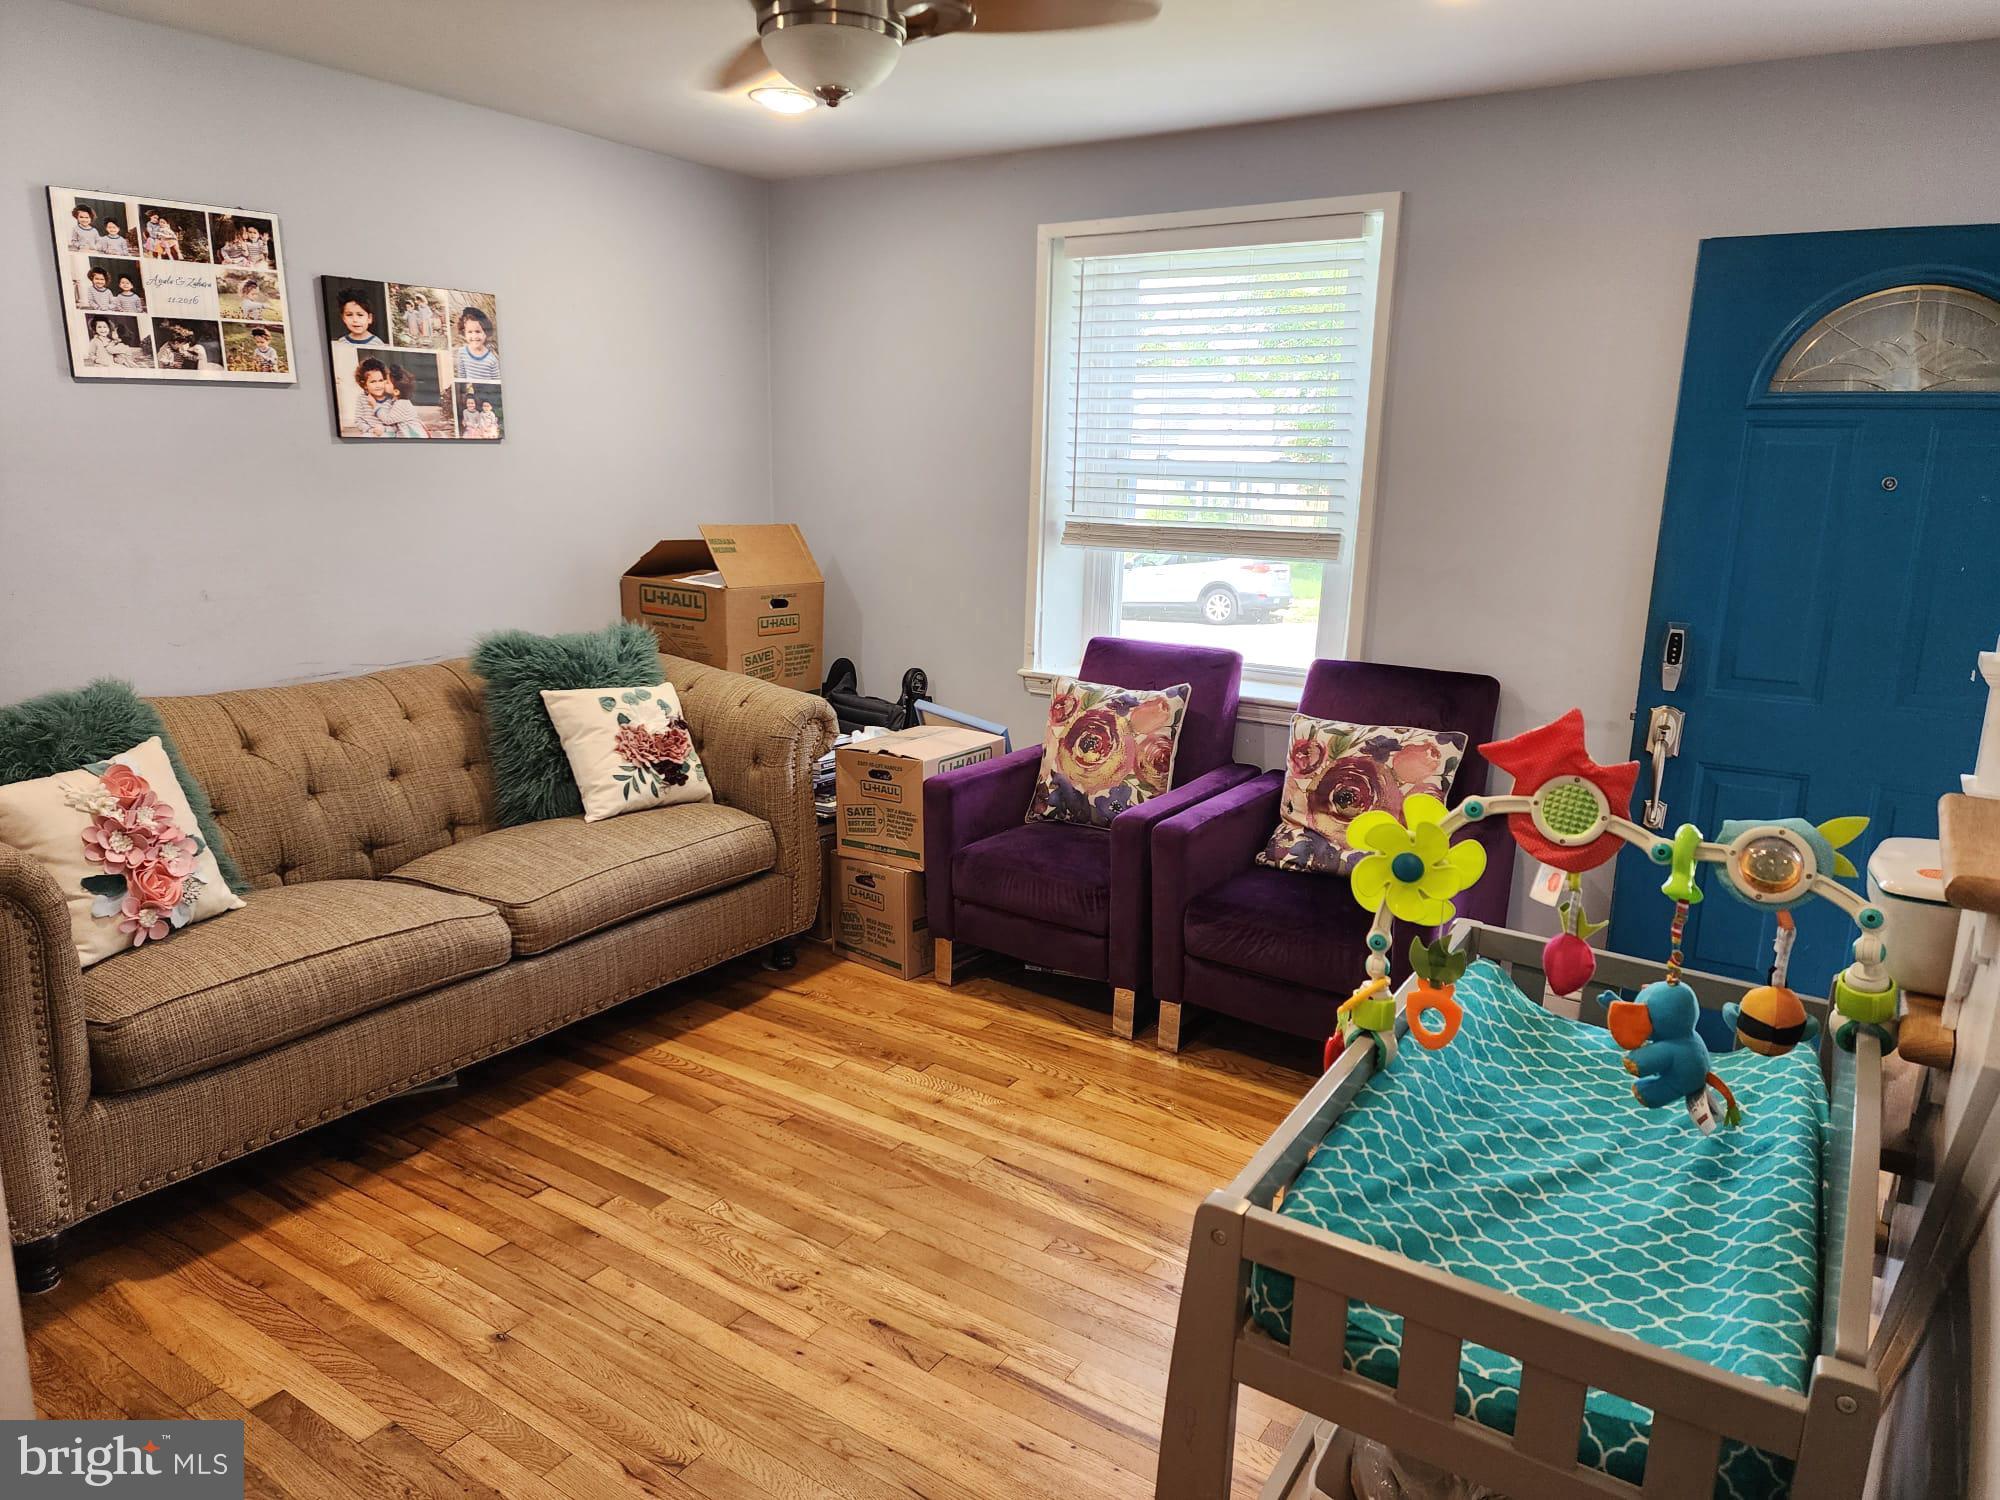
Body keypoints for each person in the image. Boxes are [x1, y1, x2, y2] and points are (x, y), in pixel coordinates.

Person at [352, 358, 428, 437]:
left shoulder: (392, 400)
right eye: (373, 382)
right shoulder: (362, 398)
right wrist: (370, 430)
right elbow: (359, 420)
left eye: (381, 380)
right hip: (370, 432)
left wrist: (383, 429)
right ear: (364, 385)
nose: (378, 385)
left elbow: (395, 426)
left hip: (389, 433)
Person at [452, 306, 499, 379]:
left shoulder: (492, 359)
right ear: (464, 333)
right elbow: (462, 378)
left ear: (486, 332)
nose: (474, 336)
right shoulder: (462, 353)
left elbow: (496, 383)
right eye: (470, 332)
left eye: (478, 331)